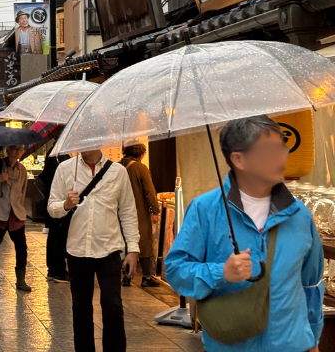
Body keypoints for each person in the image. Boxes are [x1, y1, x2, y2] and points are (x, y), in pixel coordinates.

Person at [166, 116, 324, 352]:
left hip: (292, 345)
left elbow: (311, 284)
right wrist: (221, 272)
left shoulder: (299, 214)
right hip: (230, 344)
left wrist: (312, 338)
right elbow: (177, 270)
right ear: (239, 159)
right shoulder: (206, 209)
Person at [47, 149, 140, 352]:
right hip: (77, 250)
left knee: (113, 306)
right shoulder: (65, 169)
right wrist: (66, 204)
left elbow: (127, 211)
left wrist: (133, 248)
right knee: (81, 310)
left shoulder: (118, 172)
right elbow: (51, 207)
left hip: (109, 249)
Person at [0, 144, 32, 292]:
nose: (19, 151)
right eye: (15, 148)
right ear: (8, 150)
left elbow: (23, 191)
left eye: (21, 149)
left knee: (21, 247)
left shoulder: (22, 170)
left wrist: (21, 210)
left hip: (15, 214)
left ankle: (21, 279)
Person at [120, 143, 160, 287]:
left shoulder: (117, 166)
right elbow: (149, 191)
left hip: (120, 212)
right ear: (141, 154)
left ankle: (126, 276)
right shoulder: (140, 168)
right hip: (138, 212)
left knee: (125, 243)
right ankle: (147, 276)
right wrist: (155, 210)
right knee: (144, 242)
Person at [37, 150, 71, 282]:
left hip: (55, 202)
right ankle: (58, 270)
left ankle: (53, 269)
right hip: (58, 203)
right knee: (58, 236)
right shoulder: (57, 156)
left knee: (54, 235)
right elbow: (53, 178)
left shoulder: (57, 154)